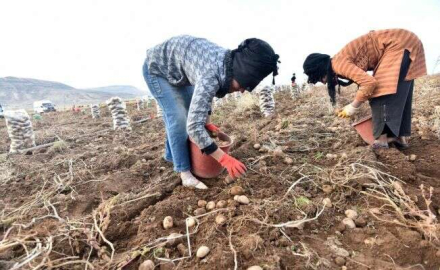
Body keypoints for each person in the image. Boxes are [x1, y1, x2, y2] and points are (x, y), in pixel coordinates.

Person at [143, 35, 279, 189]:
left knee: (190, 114)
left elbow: (204, 98)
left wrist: (207, 123)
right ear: (237, 73)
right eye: (242, 85)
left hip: (180, 69)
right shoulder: (211, 74)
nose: (241, 91)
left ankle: (172, 156)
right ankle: (185, 174)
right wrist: (224, 159)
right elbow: (194, 127)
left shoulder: (226, 64)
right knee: (179, 118)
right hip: (157, 69)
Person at [303, 29, 427, 149]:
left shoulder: (338, 64)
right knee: (401, 93)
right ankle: (400, 138)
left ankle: (381, 141)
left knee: (380, 93)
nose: (324, 82)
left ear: (321, 70)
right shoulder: (339, 61)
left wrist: (353, 106)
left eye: (320, 79)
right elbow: (363, 84)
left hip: (398, 44)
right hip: (407, 41)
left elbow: (369, 83)